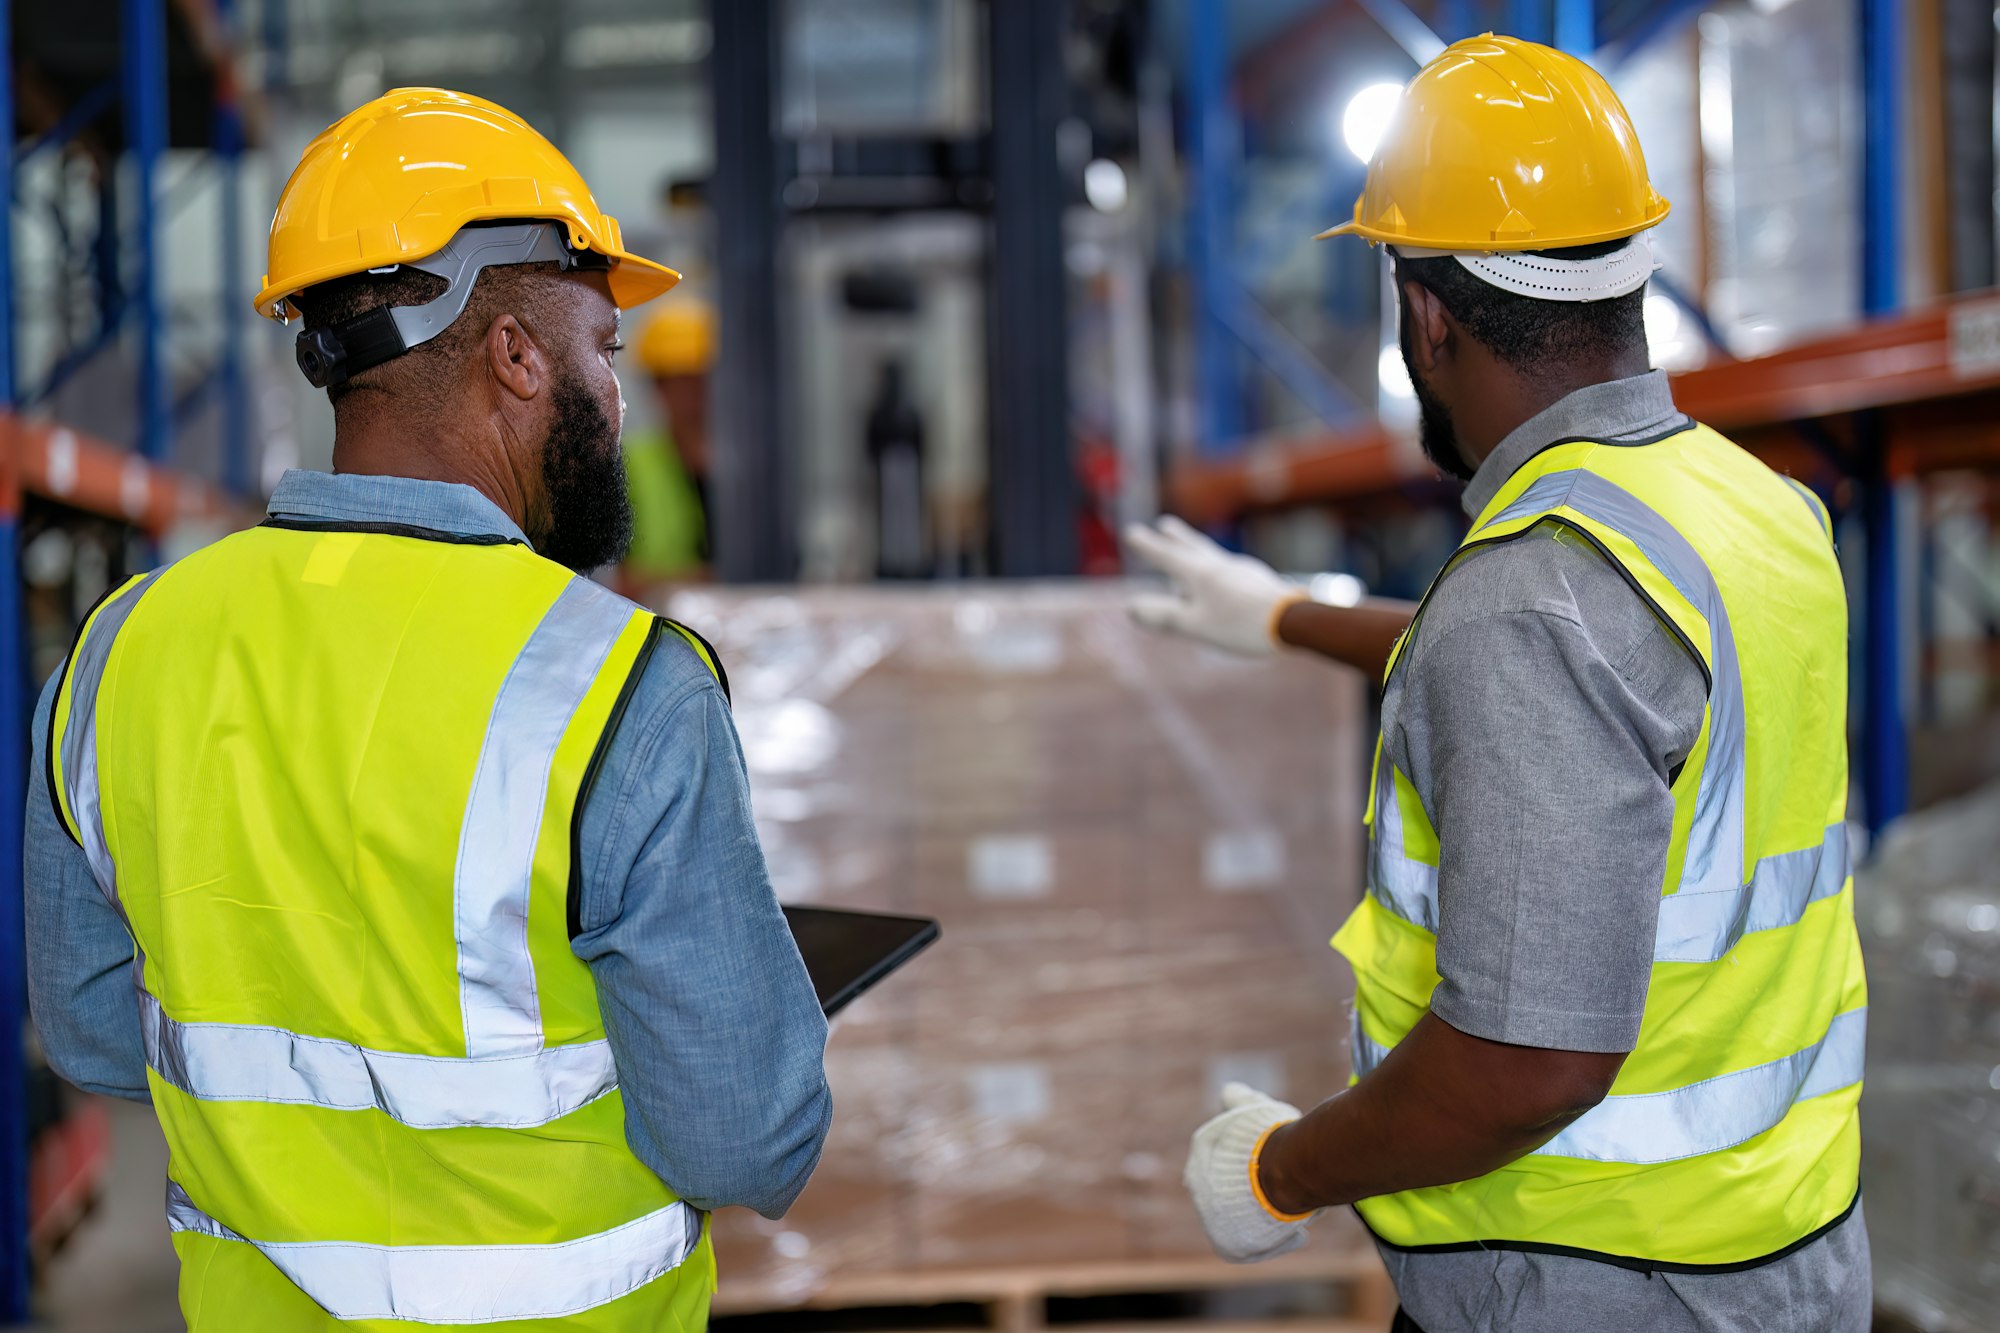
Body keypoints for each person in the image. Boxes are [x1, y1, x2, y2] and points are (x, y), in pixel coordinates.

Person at [25, 87, 830, 1330]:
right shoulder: (618, 684)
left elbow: (89, 1034)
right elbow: (747, 1142)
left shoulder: (125, 650)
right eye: (600, 352)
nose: (614, 402)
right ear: (514, 354)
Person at [1131, 36, 1868, 1333]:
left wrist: (1278, 1170)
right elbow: (1617, 685)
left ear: (1425, 310)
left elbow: (1529, 1063)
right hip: (1787, 1255)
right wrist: (1298, 620)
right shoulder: (1755, 510)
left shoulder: (1529, 598)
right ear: (1631, 269)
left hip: (1590, 1278)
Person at [623, 298, 716, 583]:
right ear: (658, 387)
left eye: (699, 380)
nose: (692, 397)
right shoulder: (632, 464)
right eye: (680, 382)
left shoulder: (749, 464)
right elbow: (621, 585)